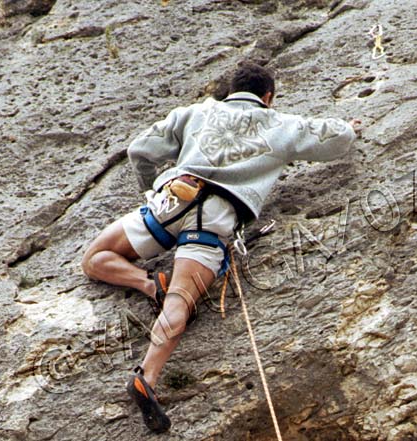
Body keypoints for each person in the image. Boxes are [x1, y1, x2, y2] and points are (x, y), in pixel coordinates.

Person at [81, 61, 359, 433]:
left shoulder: (196, 112)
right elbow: (336, 138)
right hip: (212, 220)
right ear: (269, 97)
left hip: (171, 201)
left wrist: (151, 189)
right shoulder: (280, 124)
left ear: (230, 90)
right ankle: (146, 377)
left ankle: (148, 284)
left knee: (95, 259)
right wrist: (350, 129)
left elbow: (140, 149)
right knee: (179, 304)